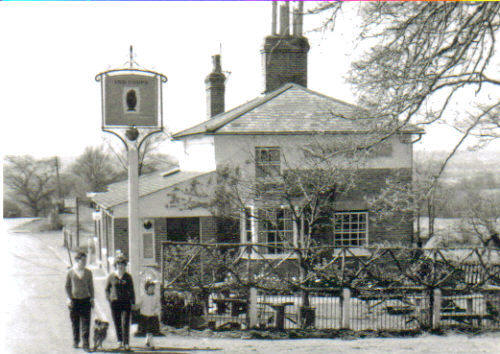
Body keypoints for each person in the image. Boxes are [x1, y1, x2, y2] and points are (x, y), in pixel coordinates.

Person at [65, 251, 94, 352]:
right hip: (74, 301)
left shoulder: (88, 272)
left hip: (85, 300)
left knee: (86, 323)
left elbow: (91, 286)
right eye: (83, 260)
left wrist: (92, 298)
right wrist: (69, 298)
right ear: (77, 260)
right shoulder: (71, 272)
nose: (85, 262)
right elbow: (67, 286)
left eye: (86, 260)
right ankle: (76, 340)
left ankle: (86, 343)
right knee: (75, 322)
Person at [105, 255, 135, 350]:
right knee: (117, 322)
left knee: (125, 322)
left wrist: (133, 302)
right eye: (118, 264)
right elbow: (107, 289)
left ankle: (126, 343)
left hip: (126, 302)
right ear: (116, 265)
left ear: (125, 265)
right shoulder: (111, 276)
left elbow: (132, 290)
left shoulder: (128, 277)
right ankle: (119, 341)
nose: (120, 266)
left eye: (122, 264)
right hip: (115, 303)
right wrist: (109, 298)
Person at [136, 280, 161, 349]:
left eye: (153, 288)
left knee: (151, 330)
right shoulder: (143, 296)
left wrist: (156, 311)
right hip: (144, 315)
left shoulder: (156, 297)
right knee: (147, 330)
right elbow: (139, 305)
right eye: (150, 287)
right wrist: (135, 307)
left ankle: (151, 343)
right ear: (146, 288)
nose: (152, 289)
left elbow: (158, 306)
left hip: (152, 316)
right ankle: (147, 341)